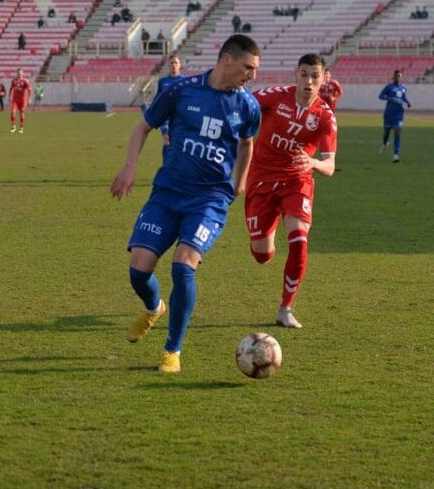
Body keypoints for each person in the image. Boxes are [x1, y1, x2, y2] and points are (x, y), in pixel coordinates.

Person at [110, 34, 261, 374]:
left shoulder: (247, 106)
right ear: (226, 60)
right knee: (138, 270)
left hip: (209, 199)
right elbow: (142, 128)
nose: (252, 75)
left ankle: (172, 350)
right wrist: (131, 166)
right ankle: (153, 308)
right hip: (167, 194)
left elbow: (247, 144)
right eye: (248, 68)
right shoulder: (181, 90)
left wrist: (240, 182)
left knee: (183, 265)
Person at [246, 54, 337, 329]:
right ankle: (266, 235)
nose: (309, 81)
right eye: (304, 74)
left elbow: (331, 166)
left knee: (299, 240)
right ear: (296, 74)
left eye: (315, 76)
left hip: (297, 181)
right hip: (261, 180)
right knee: (262, 254)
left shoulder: (325, 116)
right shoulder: (274, 97)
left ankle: (285, 308)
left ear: (324, 80)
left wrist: (313, 162)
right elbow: (241, 106)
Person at [378, 70, 412, 162]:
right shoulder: (389, 87)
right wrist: (389, 98)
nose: (398, 77)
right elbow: (380, 96)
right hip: (389, 113)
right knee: (387, 132)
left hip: (399, 113)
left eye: (400, 76)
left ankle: (396, 155)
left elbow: (403, 97)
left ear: (401, 77)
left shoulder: (404, 87)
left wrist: (407, 102)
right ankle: (385, 143)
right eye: (397, 76)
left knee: (397, 131)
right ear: (394, 76)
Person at [154, 54, 185, 154]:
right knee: (167, 150)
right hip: (167, 122)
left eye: (176, 63)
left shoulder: (186, 81)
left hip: (182, 122)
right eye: (171, 63)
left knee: (181, 152)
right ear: (168, 65)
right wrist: (164, 130)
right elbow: (158, 103)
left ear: (180, 65)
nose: (173, 65)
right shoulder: (163, 81)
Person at [9, 67, 32, 134]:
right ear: (17, 73)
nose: (19, 73)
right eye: (18, 72)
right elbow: (11, 88)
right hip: (15, 99)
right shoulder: (14, 80)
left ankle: (21, 127)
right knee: (13, 112)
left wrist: (29, 98)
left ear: (22, 73)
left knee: (22, 113)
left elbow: (29, 90)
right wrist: (10, 96)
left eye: (21, 72)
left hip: (22, 100)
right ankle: (13, 127)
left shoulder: (25, 81)